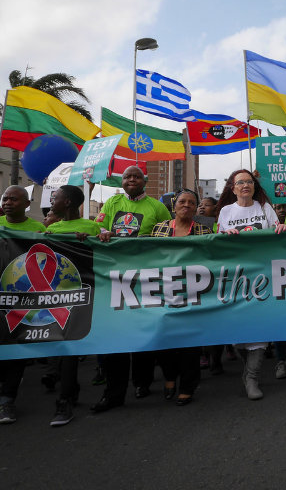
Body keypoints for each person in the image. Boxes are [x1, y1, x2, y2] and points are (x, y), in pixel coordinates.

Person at [92, 166, 172, 413]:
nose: (132, 180)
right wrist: (104, 233)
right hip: (114, 277)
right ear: (122, 180)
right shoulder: (111, 203)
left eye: (136, 176)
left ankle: (142, 382)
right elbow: (99, 229)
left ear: (144, 181)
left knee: (142, 333)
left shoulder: (157, 207)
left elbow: (167, 235)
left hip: (146, 277)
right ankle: (114, 393)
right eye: (128, 177)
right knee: (116, 335)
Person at [214, 170, 286, 399]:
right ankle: (248, 371)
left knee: (260, 328)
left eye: (249, 181)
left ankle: (252, 378)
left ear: (254, 186)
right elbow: (217, 242)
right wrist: (225, 234)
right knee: (237, 332)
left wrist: (281, 229)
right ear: (232, 188)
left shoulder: (265, 208)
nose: (245, 185)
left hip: (262, 275)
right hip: (235, 277)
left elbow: (276, 235)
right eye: (240, 182)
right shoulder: (226, 211)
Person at [0, 186, 47, 424]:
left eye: (13, 199)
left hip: (23, 298)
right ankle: (2, 377)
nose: (8, 202)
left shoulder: (38, 229)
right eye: (5, 198)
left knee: (16, 349)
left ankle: (6, 401)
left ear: (26, 204)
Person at [44, 185, 101, 425]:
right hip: (57, 294)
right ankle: (68, 392)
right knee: (63, 346)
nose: (51, 202)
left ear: (66, 202)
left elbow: (102, 252)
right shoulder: (52, 228)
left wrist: (91, 242)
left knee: (70, 347)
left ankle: (66, 398)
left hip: (84, 292)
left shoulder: (91, 227)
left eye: (54, 198)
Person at [150, 189, 212, 404]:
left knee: (190, 344)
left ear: (196, 208)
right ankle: (169, 376)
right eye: (182, 202)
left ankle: (187, 385)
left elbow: (211, 257)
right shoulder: (159, 228)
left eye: (191, 203)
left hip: (193, 294)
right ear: (174, 205)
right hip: (164, 293)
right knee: (164, 340)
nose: (187, 205)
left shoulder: (204, 230)